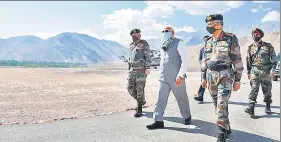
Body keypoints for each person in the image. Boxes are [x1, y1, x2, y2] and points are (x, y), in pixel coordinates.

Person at [201, 14, 244, 142]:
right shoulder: (207, 40)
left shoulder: (230, 38)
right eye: (207, 24)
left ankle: (221, 133)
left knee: (221, 104)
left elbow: (237, 59)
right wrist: (203, 77)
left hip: (225, 75)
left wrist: (238, 79)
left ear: (219, 24)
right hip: (210, 75)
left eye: (210, 24)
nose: (208, 27)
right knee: (217, 103)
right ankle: (227, 127)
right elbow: (204, 60)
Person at [146, 26, 191, 130]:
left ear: (172, 32)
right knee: (160, 99)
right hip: (163, 77)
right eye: (163, 31)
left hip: (176, 77)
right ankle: (158, 120)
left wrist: (181, 75)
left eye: (167, 31)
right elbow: (163, 61)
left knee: (181, 98)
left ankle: (187, 116)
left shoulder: (179, 43)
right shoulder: (163, 45)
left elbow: (185, 60)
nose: (165, 33)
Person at [245, 28, 277, 117]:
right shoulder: (250, 47)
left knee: (266, 91)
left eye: (257, 34)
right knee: (253, 89)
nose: (255, 36)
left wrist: (273, 70)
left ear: (261, 35)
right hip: (255, 71)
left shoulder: (268, 46)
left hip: (266, 72)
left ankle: (268, 106)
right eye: (253, 34)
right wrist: (248, 72)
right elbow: (248, 60)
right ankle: (251, 108)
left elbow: (274, 60)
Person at [127, 29, 151, 118]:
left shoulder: (144, 43)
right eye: (135, 34)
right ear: (132, 35)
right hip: (132, 70)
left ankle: (139, 108)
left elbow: (148, 56)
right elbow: (131, 58)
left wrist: (147, 67)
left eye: (138, 34)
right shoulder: (131, 45)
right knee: (129, 88)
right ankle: (141, 101)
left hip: (141, 70)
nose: (137, 36)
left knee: (140, 89)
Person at [194, 35, 211, 104]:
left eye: (207, 40)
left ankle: (219, 97)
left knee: (215, 83)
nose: (206, 41)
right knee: (203, 82)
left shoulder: (213, 48)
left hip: (212, 68)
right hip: (204, 69)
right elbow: (200, 58)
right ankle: (200, 97)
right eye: (205, 40)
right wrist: (202, 62)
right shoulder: (202, 49)